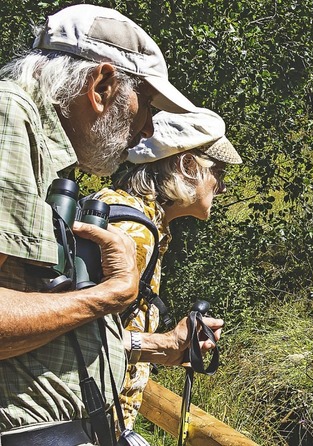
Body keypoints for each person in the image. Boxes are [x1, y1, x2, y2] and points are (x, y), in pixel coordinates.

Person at [0, 4, 223, 445]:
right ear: (101, 85)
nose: (147, 129)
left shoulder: (51, 157)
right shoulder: (11, 118)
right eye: (146, 105)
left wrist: (158, 347)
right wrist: (110, 294)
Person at [93, 108, 242, 430]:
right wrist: (163, 345)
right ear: (189, 166)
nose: (223, 187)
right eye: (220, 174)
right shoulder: (134, 233)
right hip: (90, 420)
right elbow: (70, 337)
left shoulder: (116, 209)